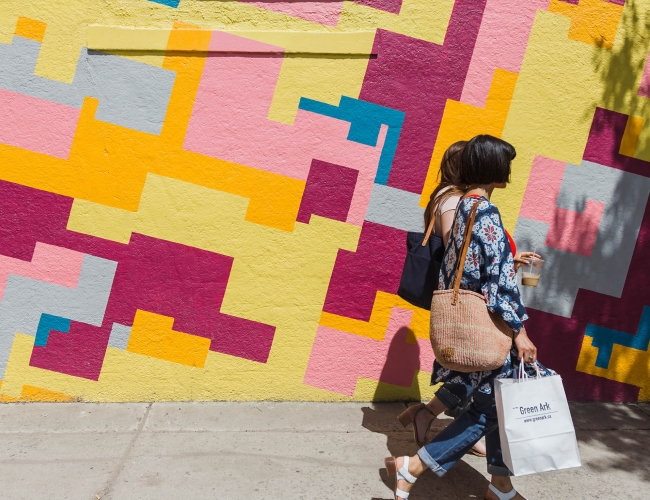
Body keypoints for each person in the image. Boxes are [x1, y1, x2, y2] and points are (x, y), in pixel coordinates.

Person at [385, 135, 555, 500]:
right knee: (489, 410)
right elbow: (498, 285)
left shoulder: (463, 206)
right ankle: (412, 466)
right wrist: (519, 332)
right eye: (506, 164)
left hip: (473, 319)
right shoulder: (488, 214)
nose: (509, 170)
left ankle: (501, 486)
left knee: (496, 402)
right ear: (493, 168)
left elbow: (463, 268)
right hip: (491, 326)